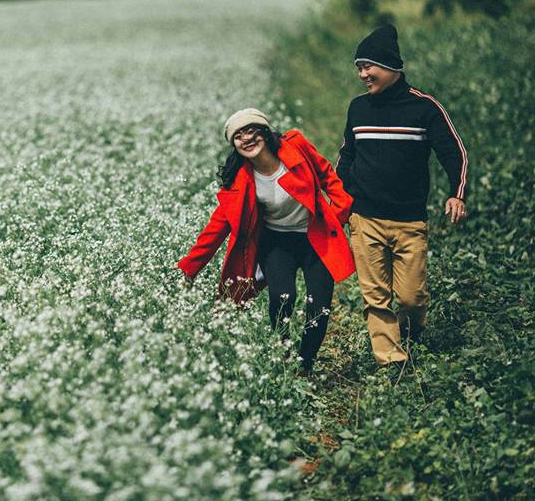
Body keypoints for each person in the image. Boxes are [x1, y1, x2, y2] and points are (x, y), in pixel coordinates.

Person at [178, 109, 355, 376]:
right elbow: (216, 228)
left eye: (251, 130)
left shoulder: (296, 146)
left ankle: (304, 365)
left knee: (320, 306)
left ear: (265, 132)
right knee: (282, 299)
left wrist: (339, 212)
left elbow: (327, 175)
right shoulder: (239, 181)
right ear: (234, 145)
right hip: (276, 242)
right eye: (237, 136)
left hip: (314, 238)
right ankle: (282, 354)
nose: (246, 138)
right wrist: (189, 269)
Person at [336, 24, 468, 372]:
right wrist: (340, 200)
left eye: (368, 66)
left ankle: (411, 334)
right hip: (365, 218)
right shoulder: (358, 109)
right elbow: (347, 156)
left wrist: (457, 194)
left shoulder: (425, 108)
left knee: (411, 296)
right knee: (375, 297)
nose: (363, 74)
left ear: (392, 66)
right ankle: (392, 363)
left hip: (410, 220)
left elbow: (454, 153)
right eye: (358, 68)